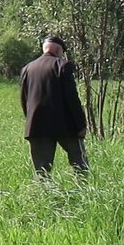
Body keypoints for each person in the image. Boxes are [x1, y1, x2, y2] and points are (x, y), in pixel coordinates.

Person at [20, 36, 89, 176]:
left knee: (42, 172)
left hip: (37, 125)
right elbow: (72, 98)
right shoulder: (63, 65)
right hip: (66, 125)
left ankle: (45, 195)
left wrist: (30, 119)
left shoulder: (27, 68)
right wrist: (81, 124)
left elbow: (24, 99)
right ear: (58, 49)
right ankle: (83, 193)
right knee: (80, 165)